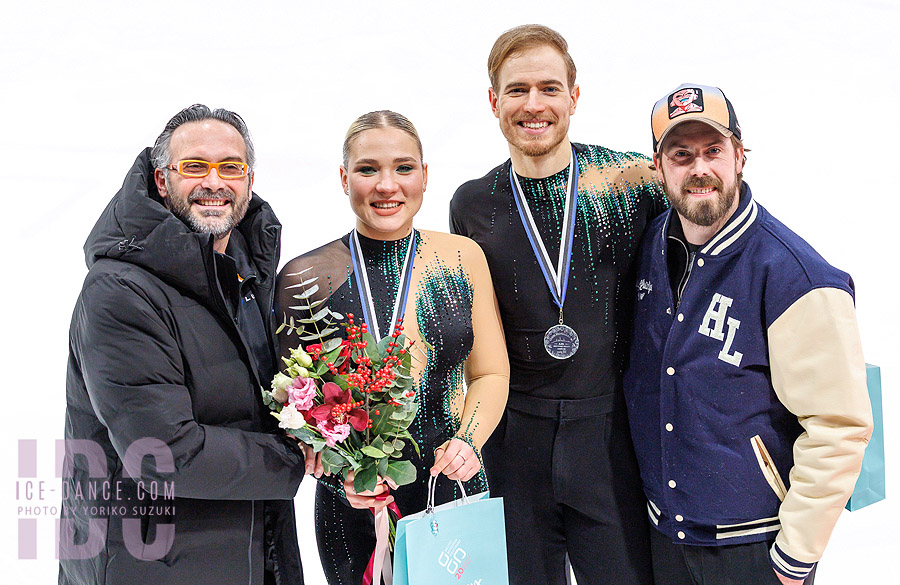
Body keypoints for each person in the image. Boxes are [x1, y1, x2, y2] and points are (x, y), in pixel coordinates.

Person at [623, 83, 873, 585]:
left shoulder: (796, 276)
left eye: (713, 151)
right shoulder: (652, 243)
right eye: (681, 154)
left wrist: (795, 555)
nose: (699, 169)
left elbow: (839, 427)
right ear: (658, 166)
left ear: (740, 156)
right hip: (667, 537)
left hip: (753, 549)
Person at [450, 24, 668, 585]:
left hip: (610, 435)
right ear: (494, 102)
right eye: (517, 90)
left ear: (574, 95)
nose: (534, 104)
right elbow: (470, 340)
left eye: (549, 88)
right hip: (515, 443)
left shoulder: (631, 182)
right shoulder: (474, 204)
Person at [60, 105, 307, 585]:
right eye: (194, 166)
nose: (213, 182)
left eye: (230, 167)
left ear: (249, 183)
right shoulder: (119, 292)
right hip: (152, 566)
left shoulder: (248, 278)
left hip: (252, 552)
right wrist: (299, 458)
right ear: (160, 179)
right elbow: (163, 453)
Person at [276, 110, 509, 584]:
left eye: (404, 168)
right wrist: (336, 474)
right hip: (355, 501)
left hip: (454, 485)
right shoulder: (305, 278)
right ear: (344, 178)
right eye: (368, 169)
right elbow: (289, 410)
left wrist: (469, 441)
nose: (387, 185)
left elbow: (491, 373)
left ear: (425, 176)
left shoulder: (463, 257)